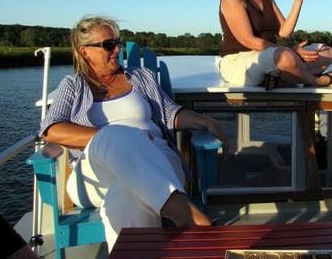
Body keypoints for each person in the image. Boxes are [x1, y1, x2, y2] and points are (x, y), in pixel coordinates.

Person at [39, 16, 229, 251]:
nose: (117, 49)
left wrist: (208, 121)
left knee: (125, 197)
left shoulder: (141, 77)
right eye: (108, 45)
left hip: (157, 159)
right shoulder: (73, 85)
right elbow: (52, 129)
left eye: (117, 42)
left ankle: (184, 224)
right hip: (95, 174)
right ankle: (190, 217)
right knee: (115, 137)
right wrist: (114, 135)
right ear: (85, 52)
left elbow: (170, 113)